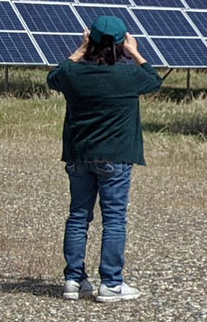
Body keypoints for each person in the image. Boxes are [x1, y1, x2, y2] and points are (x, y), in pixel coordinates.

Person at [47, 16, 163, 302]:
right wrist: (134, 52)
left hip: (79, 155)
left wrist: (80, 49)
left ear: (91, 39)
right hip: (116, 158)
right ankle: (110, 283)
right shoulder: (129, 76)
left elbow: (54, 76)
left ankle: (74, 280)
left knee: (77, 217)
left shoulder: (74, 74)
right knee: (113, 220)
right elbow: (154, 79)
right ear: (121, 42)